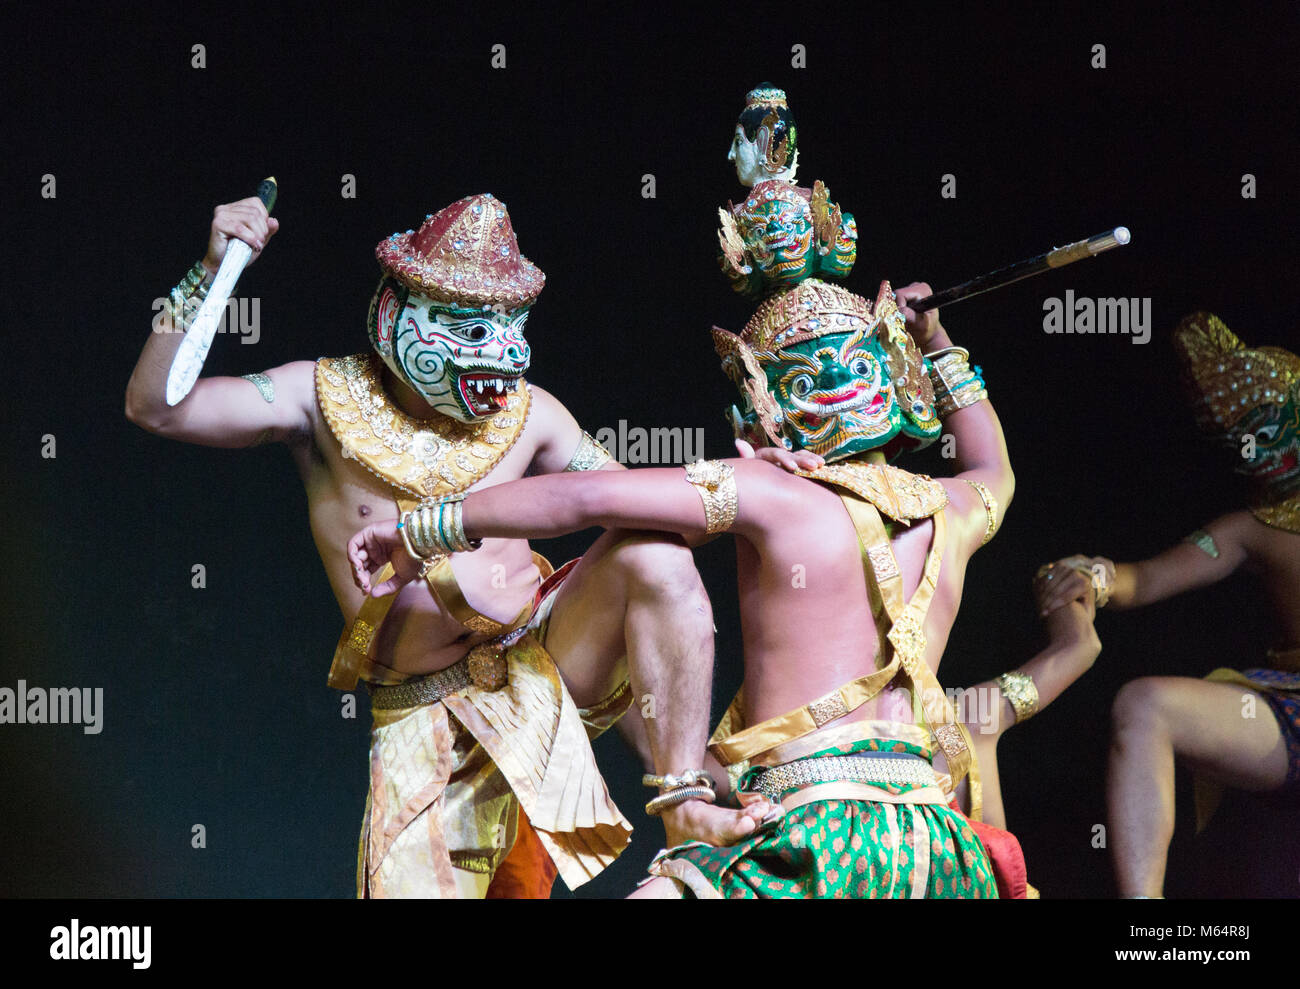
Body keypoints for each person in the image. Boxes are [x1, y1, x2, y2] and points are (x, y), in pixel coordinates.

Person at [125, 191, 762, 899]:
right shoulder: (316, 398)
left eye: (511, 326)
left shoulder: (534, 416)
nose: (505, 352)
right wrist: (210, 273)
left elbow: (656, 510)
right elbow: (158, 406)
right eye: (470, 328)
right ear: (397, 311)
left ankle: (686, 801)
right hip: (422, 711)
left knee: (653, 553)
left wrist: (763, 470)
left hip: (542, 668)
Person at [348, 272, 1015, 898]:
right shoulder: (954, 507)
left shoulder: (769, 491)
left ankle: (682, 804)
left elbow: (584, 500)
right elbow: (991, 461)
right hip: (940, 844)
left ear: (768, 402)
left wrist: (427, 527)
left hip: (815, 836)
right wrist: (935, 340)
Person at [1035, 312, 1300, 898]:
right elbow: (1145, 578)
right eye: (1235, 442)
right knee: (1147, 704)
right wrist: (1093, 576)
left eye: (1264, 429)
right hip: (1293, 711)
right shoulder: (1248, 529)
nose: (1254, 454)